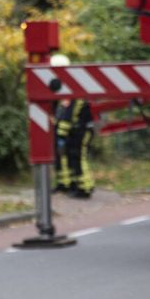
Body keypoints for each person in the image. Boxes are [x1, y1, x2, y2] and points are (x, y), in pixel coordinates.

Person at [49, 54, 95, 199]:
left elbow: (72, 111)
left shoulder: (74, 84)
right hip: (71, 129)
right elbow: (58, 109)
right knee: (67, 156)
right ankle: (68, 184)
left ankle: (85, 188)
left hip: (81, 128)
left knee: (78, 156)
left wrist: (61, 129)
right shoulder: (59, 85)